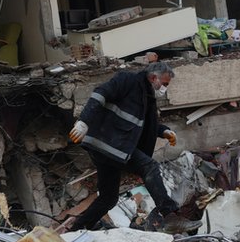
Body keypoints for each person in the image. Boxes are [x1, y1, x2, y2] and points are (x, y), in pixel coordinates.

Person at [68, 61, 181, 231]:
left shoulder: (147, 98)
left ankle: (80, 227)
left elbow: (144, 126)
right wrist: (84, 121)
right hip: (110, 143)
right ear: (153, 77)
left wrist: (164, 131)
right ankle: (170, 216)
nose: (164, 88)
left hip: (113, 149)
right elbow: (100, 93)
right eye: (164, 84)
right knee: (149, 167)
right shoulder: (128, 80)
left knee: (108, 198)